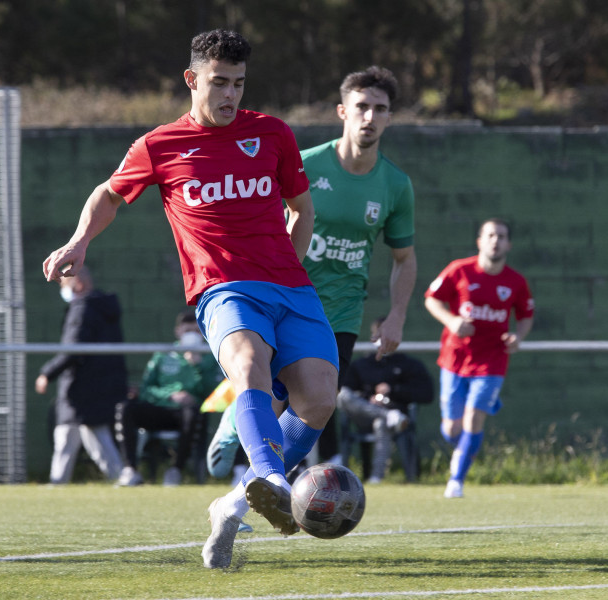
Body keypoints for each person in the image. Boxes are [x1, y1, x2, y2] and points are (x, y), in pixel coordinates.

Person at [41, 29, 339, 570]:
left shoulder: (272, 134)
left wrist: (291, 267)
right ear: (192, 79)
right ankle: (272, 478)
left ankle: (233, 502)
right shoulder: (160, 145)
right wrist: (79, 241)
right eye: (219, 82)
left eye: (239, 84)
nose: (230, 95)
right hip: (222, 287)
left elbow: (303, 211)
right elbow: (109, 193)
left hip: (291, 288)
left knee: (319, 398)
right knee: (249, 362)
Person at [205, 65, 418, 475]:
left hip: (340, 314)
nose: (369, 117)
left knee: (311, 408)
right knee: (274, 395)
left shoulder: (395, 185)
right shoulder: (306, 164)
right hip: (285, 298)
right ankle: (243, 439)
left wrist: (397, 315)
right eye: (361, 107)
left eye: (380, 108)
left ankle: (250, 489)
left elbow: (404, 259)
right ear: (342, 111)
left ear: (390, 117)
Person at [424, 218, 534, 498]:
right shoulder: (459, 270)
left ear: (509, 244)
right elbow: (431, 299)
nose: (495, 240)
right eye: (490, 235)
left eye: (501, 236)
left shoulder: (516, 282)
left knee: (474, 420)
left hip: (492, 361)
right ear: (480, 241)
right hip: (455, 359)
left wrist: (518, 338)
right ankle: (462, 449)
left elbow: (525, 315)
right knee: (452, 429)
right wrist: (451, 320)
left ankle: (456, 480)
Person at [35, 266, 126, 484]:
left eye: (64, 283)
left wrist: (47, 373)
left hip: (81, 387)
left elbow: (73, 349)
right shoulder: (103, 308)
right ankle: (120, 478)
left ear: (78, 283)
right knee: (84, 434)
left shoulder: (82, 308)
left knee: (73, 434)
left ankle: (59, 483)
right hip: (99, 385)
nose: (63, 289)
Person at [114, 310, 223, 487]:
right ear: (178, 331)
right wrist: (170, 395)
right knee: (126, 408)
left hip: (188, 414)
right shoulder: (163, 355)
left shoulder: (209, 357)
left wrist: (197, 366)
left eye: (197, 331)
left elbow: (211, 393)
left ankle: (176, 470)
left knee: (192, 413)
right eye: (188, 330)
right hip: (160, 410)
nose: (192, 335)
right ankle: (130, 470)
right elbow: (146, 389)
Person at [337, 316, 433, 483]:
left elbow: (426, 394)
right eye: (379, 334)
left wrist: (394, 391)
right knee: (342, 395)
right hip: (364, 415)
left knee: (381, 423)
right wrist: (368, 398)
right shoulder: (361, 365)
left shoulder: (409, 364)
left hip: (395, 418)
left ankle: (376, 477)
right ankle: (387, 415)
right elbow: (348, 390)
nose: (383, 339)